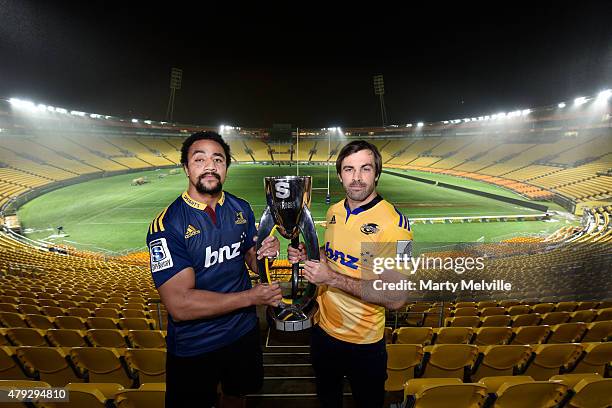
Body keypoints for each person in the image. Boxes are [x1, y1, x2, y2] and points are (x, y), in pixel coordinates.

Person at [146, 131, 282, 408]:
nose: (210, 166)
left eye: (218, 159)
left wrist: (266, 254)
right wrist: (252, 298)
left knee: (236, 395)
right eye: (199, 159)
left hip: (242, 331)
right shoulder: (167, 225)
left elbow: (252, 260)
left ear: (226, 168)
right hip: (196, 343)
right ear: (186, 168)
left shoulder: (240, 208)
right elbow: (180, 305)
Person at [288, 140, 413, 408]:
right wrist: (309, 254)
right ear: (340, 175)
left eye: (365, 169)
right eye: (348, 169)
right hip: (324, 332)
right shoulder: (334, 211)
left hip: (364, 343)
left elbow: (397, 297)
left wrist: (331, 278)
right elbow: (333, 253)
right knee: (327, 400)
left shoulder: (397, 226)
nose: (356, 178)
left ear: (377, 173)